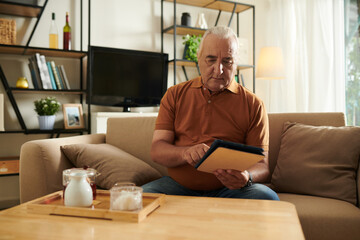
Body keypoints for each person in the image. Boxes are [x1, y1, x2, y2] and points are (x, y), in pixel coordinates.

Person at [142, 26, 279, 200]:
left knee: (268, 198)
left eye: (227, 61)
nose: (218, 69)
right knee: (140, 198)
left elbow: (262, 166)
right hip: (177, 186)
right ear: (199, 60)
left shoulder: (254, 104)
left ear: (236, 63)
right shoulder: (174, 95)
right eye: (211, 59)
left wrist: (246, 177)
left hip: (231, 190)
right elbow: (157, 150)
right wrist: (185, 153)